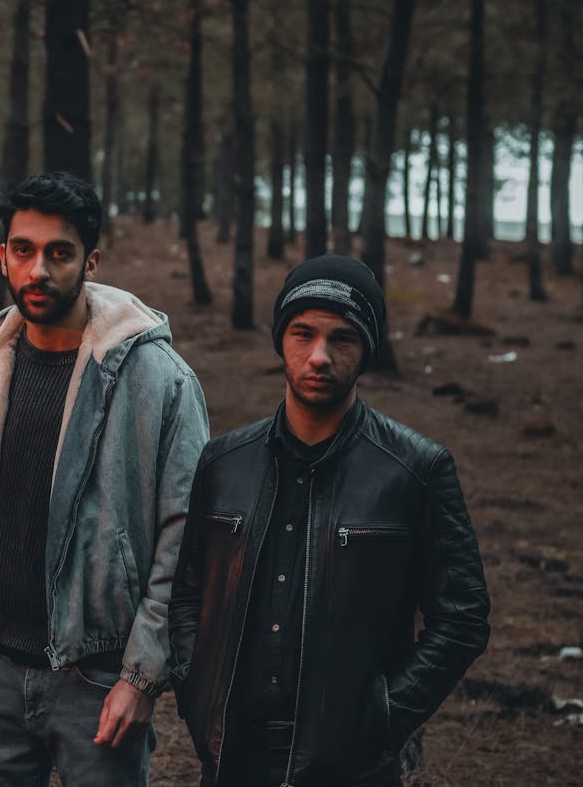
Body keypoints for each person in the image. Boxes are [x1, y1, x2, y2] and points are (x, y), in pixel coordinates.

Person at [0, 171, 209, 786]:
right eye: (23, 250)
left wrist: (141, 676)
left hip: (99, 681)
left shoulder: (158, 381)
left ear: (89, 261)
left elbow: (185, 539)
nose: (38, 270)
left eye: (58, 253)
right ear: (3, 256)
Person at [169, 254, 491, 787]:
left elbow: (463, 617)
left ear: (367, 350)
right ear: (280, 340)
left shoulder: (416, 469)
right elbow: (188, 591)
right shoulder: (223, 462)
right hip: (232, 761)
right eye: (303, 334)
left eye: (341, 339)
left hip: (351, 767)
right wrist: (192, 682)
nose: (319, 356)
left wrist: (386, 717)